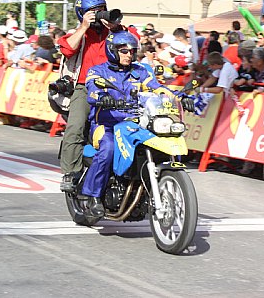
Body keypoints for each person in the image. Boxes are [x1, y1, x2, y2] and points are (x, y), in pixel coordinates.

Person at [81, 30, 194, 216]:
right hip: (105, 125)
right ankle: (92, 196)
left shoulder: (140, 71)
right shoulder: (97, 71)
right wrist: (102, 97)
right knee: (108, 147)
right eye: (124, 51)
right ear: (112, 50)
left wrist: (180, 98)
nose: (128, 54)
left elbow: (157, 88)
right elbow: (93, 90)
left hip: (136, 123)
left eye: (132, 51)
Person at [58, 0, 123, 192]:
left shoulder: (116, 32)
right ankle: (70, 173)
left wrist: (115, 27)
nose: (98, 15)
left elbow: (133, 43)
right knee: (75, 126)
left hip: (117, 86)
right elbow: (67, 49)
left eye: (101, 9)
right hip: (84, 87)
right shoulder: (78, 33)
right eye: (93, 12)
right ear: (82, 14)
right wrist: (84, 26)